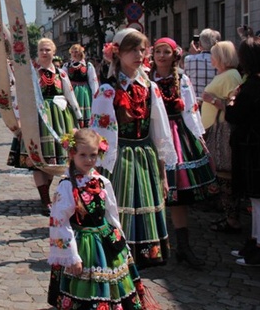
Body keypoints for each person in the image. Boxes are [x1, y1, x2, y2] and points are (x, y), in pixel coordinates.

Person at [91, 28, 176, 268]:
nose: (139, 55)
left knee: (145, 199)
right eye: (132, 50)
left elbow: (159, 131)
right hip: (119, 156)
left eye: (141, 49)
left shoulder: (150, 87)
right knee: (119, 201)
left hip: (145, 154)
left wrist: (162, 173)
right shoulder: (108, 89)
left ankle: (146, 251)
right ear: (118, 53)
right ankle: (118, 251)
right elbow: (99, 134)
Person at [48, 129, 149, 309]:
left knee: (114, 281)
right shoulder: (67, 186)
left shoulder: (102, 181)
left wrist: (120, 238)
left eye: (93, 155)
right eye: (83, 155)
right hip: (84, 245)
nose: (89, 160)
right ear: (72, 154)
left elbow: (111, 213)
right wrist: (72, 256)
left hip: (105, 241)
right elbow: (59, 222)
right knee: (86, 287)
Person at [149, 38, 215, 269]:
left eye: (166, 52)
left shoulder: (182, 79)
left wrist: (198, 137)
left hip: (177, 135)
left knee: (176, 195)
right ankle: (151, 243)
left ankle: (183, 246)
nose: (162, 56)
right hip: (152, 134)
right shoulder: (147, 78)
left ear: (174, 55)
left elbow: (190, 110)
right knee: (150, 191)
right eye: (158, 51)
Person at [8, 38, 81, 215]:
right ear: (37, 52)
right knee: (37, 160)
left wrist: (79, 119)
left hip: (59, 119)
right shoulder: (31, 73)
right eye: (41, 49)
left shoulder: (61, 74)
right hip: (36, 119)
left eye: (48, 49)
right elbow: (22, 97)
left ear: (54, 52)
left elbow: (70, 95)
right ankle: (45, 199)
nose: (44, 52)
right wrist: (18, 121)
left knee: (51, 160)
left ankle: (46, 195)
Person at [224, 37, 260, 266]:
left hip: (256, 149)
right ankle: (256, 242)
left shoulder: (254, 84)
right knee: (258, 200)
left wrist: (232, 101)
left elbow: (235, 115)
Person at [200, 41, 242, 234]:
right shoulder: (224, 74)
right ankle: (227, 214)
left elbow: (233, 106)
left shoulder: (231, 75)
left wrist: (212, 100)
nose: (211, 58)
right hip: (214, 128)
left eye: (214, 54)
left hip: (222, 130)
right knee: (221, 175)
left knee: (225, 175)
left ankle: (232, 218)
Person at [62, 44, 99, 127]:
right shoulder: (66, 65)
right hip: (71, 91)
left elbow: (93, 81)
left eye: (76, 52)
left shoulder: (88, 65)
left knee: (85, 113)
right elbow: (63, 80)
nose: (74, 54)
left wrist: (95, 96)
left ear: (80, 53)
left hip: (84, 92)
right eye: (72, 52)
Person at [184, 28, 221, 104]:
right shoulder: (220, 61)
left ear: (200, 44)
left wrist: (195, 54)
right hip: (214, 102)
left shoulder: (189, 59)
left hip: (194, 102)